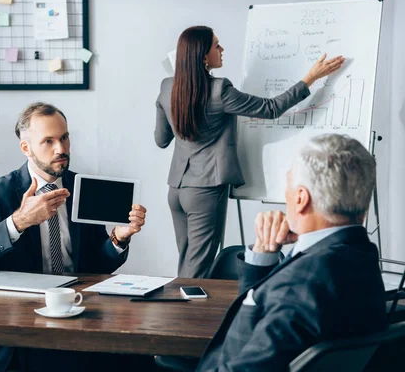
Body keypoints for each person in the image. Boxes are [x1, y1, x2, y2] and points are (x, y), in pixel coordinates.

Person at [0, 102, 148, 372]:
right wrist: (18, 221)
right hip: (21, 325)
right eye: (48, 141)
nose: (61, 149)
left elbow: (96, 266)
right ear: (26, 148)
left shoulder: (82, 186)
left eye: (64, 138)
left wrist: (118, 239)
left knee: (138, 356)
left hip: (77, 313)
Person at [154, 25, 346, 278]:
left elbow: (161, 139)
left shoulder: (168, 87)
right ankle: (183, 316)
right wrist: (310, 78)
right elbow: (271, 108)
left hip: (176, 190)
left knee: (187, 261)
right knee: (197, 269)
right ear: (202, 55)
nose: (222, 50)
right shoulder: (219, 90)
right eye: (216, 45)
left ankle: (179, 312)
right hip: (205, 189)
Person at [197, 133, 386, 371]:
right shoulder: (360, 255)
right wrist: (264, 253)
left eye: (288, 186)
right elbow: (264, 315)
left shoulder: (303, 283)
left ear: (300, 199)